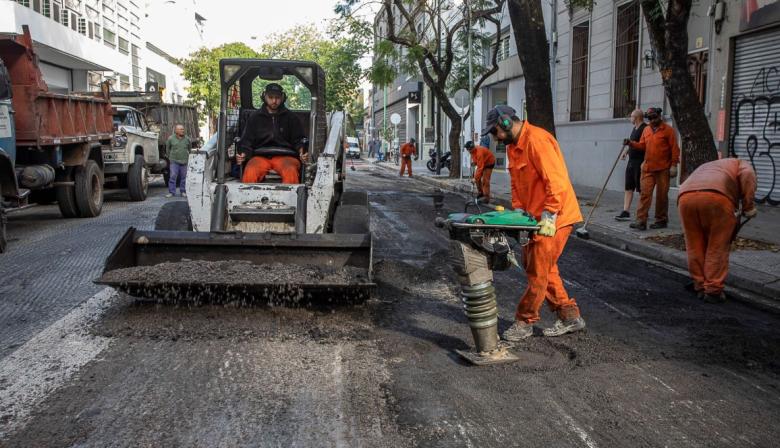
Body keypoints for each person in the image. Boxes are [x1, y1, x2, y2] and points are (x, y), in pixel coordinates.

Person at [481, 105, 585, 341]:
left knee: (538, 270)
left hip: (555, 217)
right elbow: (516, 185)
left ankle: (524, 321)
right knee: (541, 268)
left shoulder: (537, 140)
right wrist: (518, 212)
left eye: (495, 131)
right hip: (533, 219)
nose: (494, 137)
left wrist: (549, 216)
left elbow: (556, 182)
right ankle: (569, 316)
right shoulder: (513, 147)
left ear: (506, 123)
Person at [678, 158, 757, 303]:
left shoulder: (710, 165)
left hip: (685, 197)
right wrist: (748, 206)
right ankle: (713, 290)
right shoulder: (741, 163)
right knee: (717, 245)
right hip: (717, 198)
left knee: (694, 245)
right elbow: (747, 176)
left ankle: (700, 285)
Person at [237, 83, 308, 184]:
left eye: (277, 97)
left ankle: (289, 199)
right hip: (260, 157)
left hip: (286, 157)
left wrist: (302, 152)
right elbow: (247, 140)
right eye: (270, 97)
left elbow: (299, 140)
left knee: (290, 171)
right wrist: (243, 154)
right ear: (264, 97)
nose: (274, 101)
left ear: (283, 98)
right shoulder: (254, 118)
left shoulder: (292, 118)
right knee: (250, 171)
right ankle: (246, 199)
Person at [623, 107, 680, 230]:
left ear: (660, 116)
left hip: (663, 169)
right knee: (645, 194)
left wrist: (674, 165)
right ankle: (641, 221)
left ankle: (661, 220)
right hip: (648, 168)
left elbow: (675, 149)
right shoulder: (647, 130)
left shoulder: (668, 130)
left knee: (661, 196)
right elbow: (642, 145)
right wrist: (631, 144)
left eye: (655, 117)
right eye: (650, 118)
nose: (653, 120)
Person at [615, 109, 647, 221]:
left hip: (640, 162)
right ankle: (626, 211)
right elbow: (632, 143)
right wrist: (626, 152)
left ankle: (642, 213)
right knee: (628, 187)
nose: (630, 118)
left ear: (637, 117)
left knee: (641, 189)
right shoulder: (634, 129)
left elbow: (645, 146)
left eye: (631, 116)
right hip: (631, 162)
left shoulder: (645, 129)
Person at [165, 124, 190, 198]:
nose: (183, 130)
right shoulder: (171, 139)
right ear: (176, 131)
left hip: (184, 161)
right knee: (173, 176)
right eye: (180, 129)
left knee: (184, 177)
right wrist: (171, 157)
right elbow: (167, 149)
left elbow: (189, 148)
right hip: (174, 161)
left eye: (183, 129)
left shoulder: (187, 139)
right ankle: (171, 192)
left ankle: (183, 191)